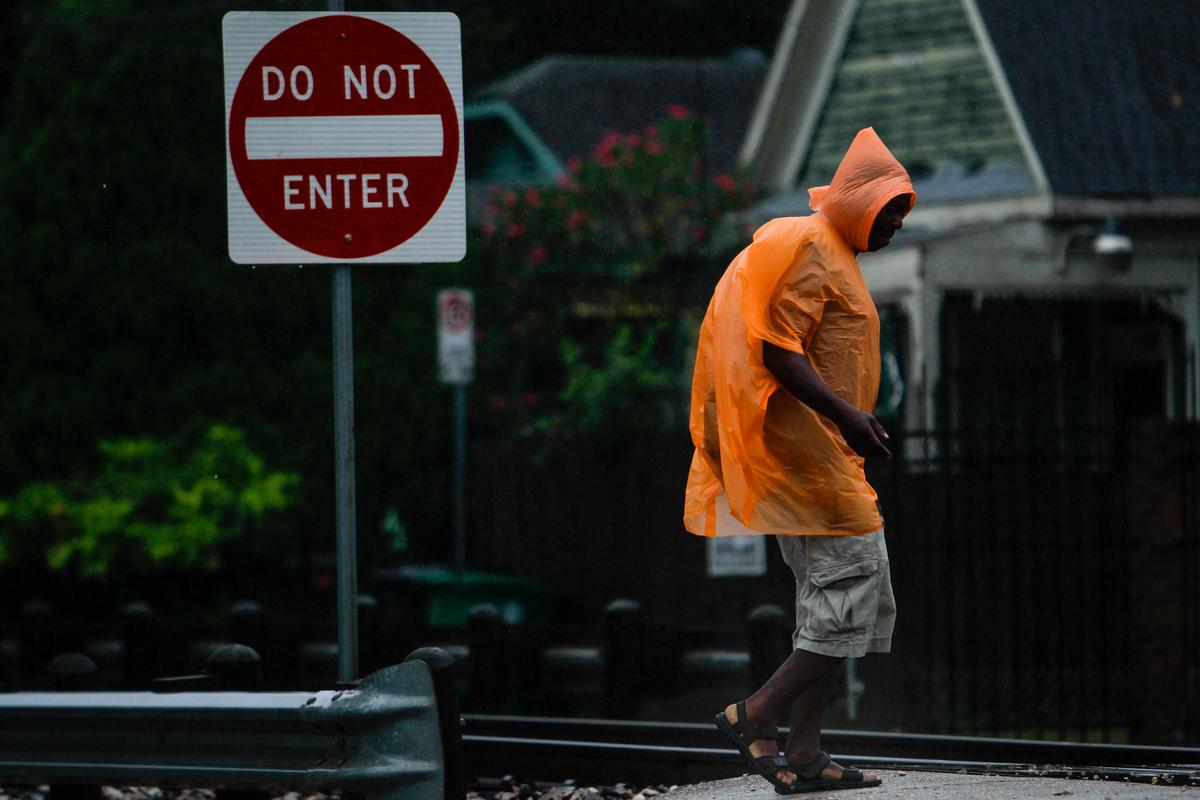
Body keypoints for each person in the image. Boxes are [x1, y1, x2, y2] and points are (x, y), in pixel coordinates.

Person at [683, 127, 914, 794]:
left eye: (902, 211)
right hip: (807, 457)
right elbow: (776, 349)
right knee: (855, 587)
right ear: (857, 200)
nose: (898, 223)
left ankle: (806, 753)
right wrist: (848, 416)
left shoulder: (832, 250)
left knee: (841, 607)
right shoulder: (812, 245)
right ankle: (749, 714)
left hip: (825, 456)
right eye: (890, 209)